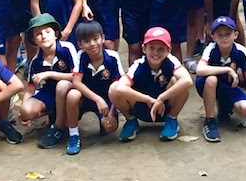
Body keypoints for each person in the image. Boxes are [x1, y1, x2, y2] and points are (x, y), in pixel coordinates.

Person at [109, 27, 193, 142]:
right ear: (144, 48)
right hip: (142, 108)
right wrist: (148, 100)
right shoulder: (138, 64)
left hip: (165, 108)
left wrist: (161, 98)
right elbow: (119, 88)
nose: (155, 53)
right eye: (151, 48)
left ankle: (172, 120)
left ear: (169, 50)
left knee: (179, 83)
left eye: (161, 49)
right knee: (113, 88)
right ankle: (131, 120)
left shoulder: (171, 61)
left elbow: (188, 80)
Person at [61, 20, 124, 155]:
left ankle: (105, 119)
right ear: (80, 44)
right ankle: (74, 135)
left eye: (95, 39)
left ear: (103, 38)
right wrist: (97, 99)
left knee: (110, 128)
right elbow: (77, 82)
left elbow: (119, 86)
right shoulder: (80, 56)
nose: (92, 44)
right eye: (87, 41)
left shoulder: (112, 57)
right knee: (72, 94)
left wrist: (113, 112)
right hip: (86, 97)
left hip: (108, 100)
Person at [195, 16, 246, 142]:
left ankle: (224, 106)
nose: (224, 37)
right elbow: (199, 70)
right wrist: (227, 69)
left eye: (228, 34)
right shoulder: (211, 49)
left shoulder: (240, 50)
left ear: (235, 35)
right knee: (211, 79)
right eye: (219, 34)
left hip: (228, 86)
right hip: (206, 85)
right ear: (213, 37)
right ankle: (210, 121)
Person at [18, 14, 78, 148]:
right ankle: (54, 113)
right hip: (49, 94)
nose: (43, 36)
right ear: (34, 40)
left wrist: (50, 74)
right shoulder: (36, 61)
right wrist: (23, 113)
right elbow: (30, 89)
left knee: (62, 86)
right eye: (38, 34)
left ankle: (59, 127)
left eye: (47, 31)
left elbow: (77, 77)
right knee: (27, 110)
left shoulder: (67, 49)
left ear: (56, 34)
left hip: (70, 91)